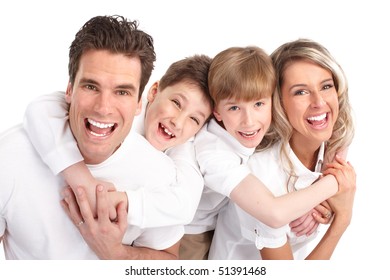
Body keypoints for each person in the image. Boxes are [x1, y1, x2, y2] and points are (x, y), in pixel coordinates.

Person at [0, 15, 191, 259]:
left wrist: (116, 254)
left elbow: (170, 262)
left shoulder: (159, 174)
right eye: (91, 86)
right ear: (69, 90)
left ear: (138, 104)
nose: (103, 107)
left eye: (122, 91)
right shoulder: (9, 156)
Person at [180, 46, 339, 260]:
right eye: (234, 108)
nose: (249, 121)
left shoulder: (259, 129)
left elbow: (343, 128)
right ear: (217, 111)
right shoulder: (215, 153)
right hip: (190, 230)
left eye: (258, 104)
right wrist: (335, 184)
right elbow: (273, 213)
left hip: (222, 217)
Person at [23, 54, 213, 229]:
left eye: (194, 119)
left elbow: (185, 206)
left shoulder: (183, 151)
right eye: (176, 103)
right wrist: (82, 180)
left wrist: (114, 202)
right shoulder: (126, 106)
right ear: (154, 91)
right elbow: (41, 108)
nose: (178, 122)